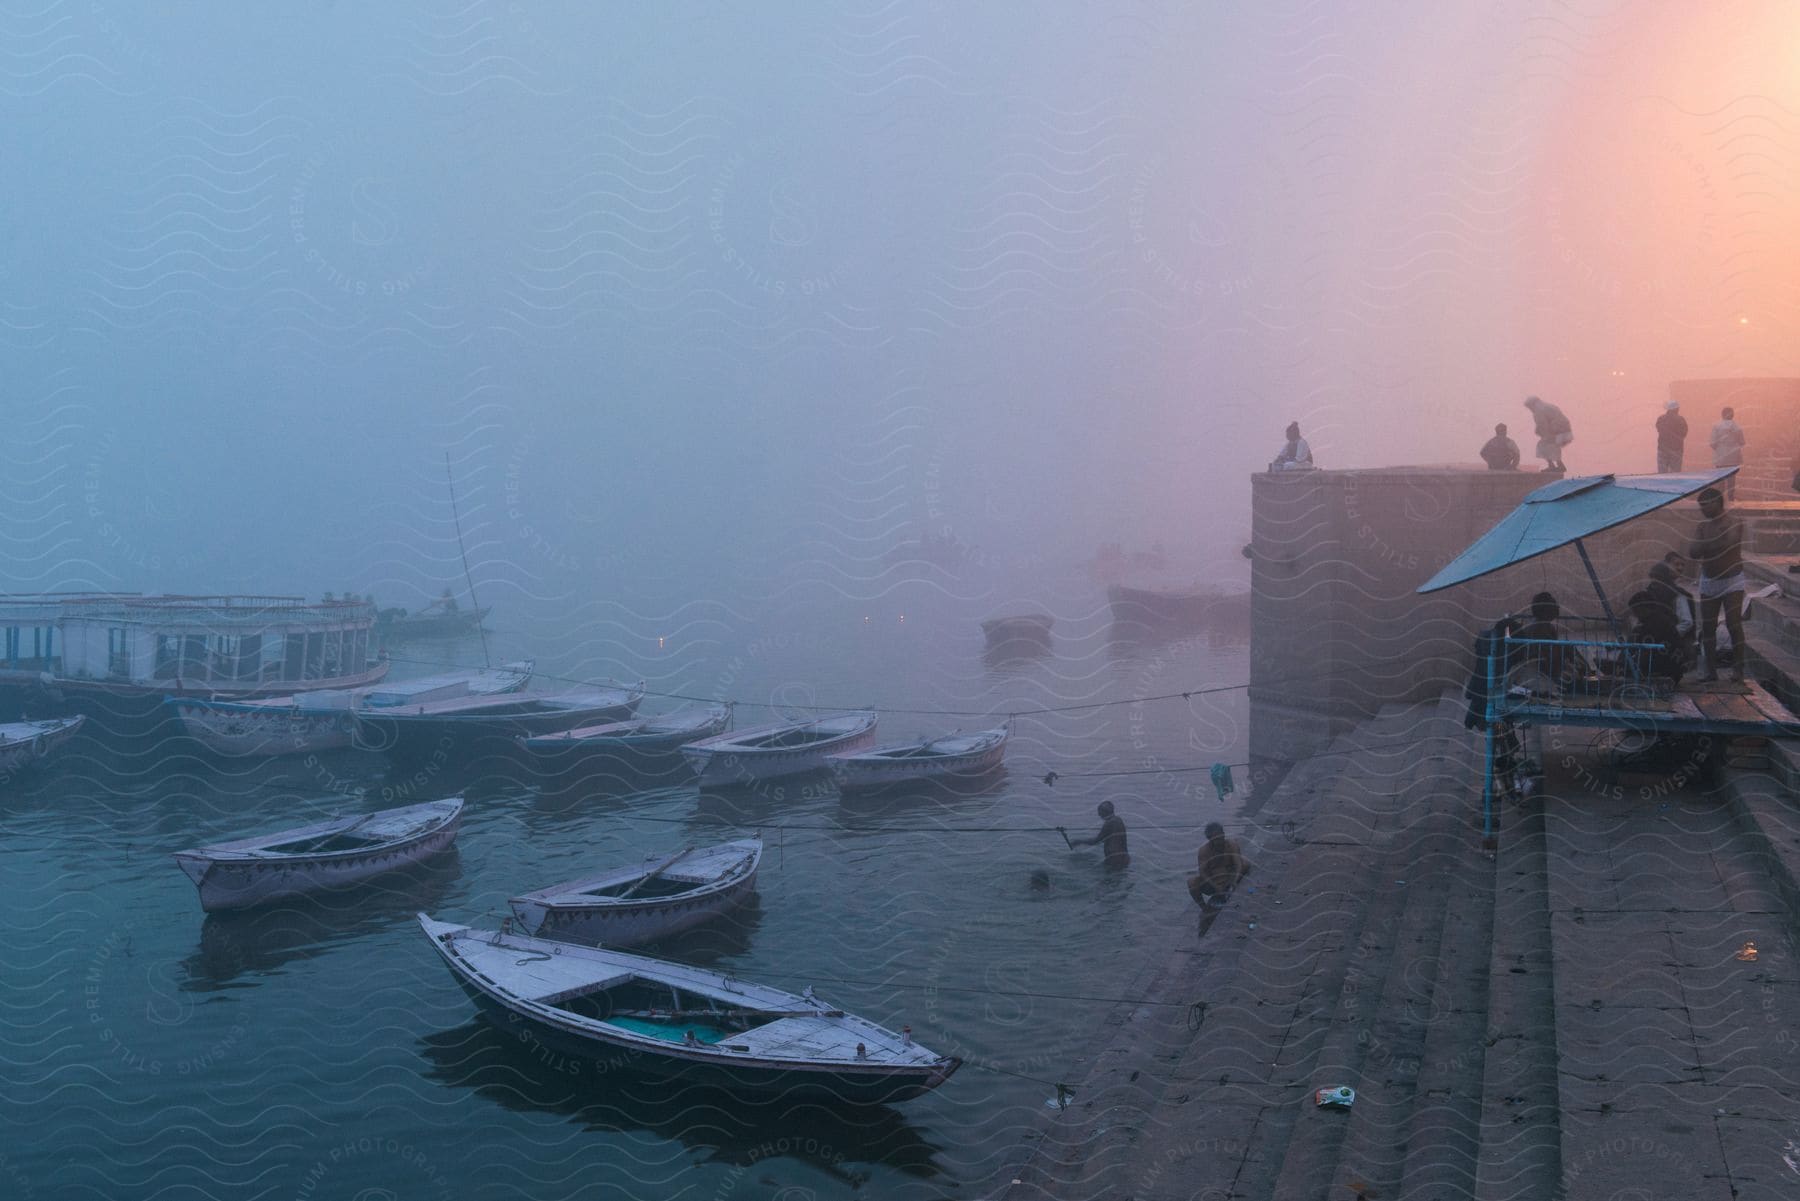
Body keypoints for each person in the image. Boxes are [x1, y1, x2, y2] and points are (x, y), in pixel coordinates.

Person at [1689, 486, 1746, 682]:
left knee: (1734, 624)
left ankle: (1738, 670)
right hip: (1709, 580)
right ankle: (1710, 672)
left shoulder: (1734, 522)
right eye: (1700, 506)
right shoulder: (1702, 526)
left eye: (1705, 505)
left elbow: (1729, 544)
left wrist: (1706, 545)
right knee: (1708, 627)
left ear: (1717, 502)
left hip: (1732, 580)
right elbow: (1693, 552)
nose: (1702, 509)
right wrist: (1713, 542)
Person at [1189, 822, 1252, 934]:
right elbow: (1202, 872)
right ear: (1210, 839)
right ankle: (1204, 908)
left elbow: (1238, 864)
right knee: (1192, 882)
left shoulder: (1231, 844)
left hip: (1229, 878)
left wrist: (1234, 881)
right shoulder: (1204, 851)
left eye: (1221, 836)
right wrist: (1216, 886)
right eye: (1216, 839)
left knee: (1246, 863)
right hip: (1213, 882)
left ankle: (1229, 890)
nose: (1220, 841)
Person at [1626, 588, 1686, 685]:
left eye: (1635, 611)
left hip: (1664, 673)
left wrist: (1628, 667)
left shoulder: (1651, 625)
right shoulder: (1661, 619)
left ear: (1643, 609)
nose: (1634, 615)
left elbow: (1644, 654)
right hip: (1674, 672)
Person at [1066, 800, 1129, 867]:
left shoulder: (1109, 823)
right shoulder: (1118, 819)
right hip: (1124, 858)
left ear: (1105, 812)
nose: (1099, 815)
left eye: (1100, 812)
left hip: (1114, 860)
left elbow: (1096, 841)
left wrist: (1079, 841)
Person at [1522, 396, 1572, 472]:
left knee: (1542, 446)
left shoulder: (1538, 410)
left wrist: (1540, 432)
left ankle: (1552, 465)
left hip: (1556, 431)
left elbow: (1542, 425)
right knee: (1552, 446)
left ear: (1532, 405)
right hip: (1564, 430)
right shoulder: (1548, 406)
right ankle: (1559, 465)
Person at [1710, 407, 1745, 499]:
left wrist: (1719, 449)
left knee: (1720, 479)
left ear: (1722, 415)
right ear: (1732, 415)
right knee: (1731, 479)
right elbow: (1742, 442)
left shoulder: (1716, 426)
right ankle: (1731, 498)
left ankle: (1719, 498)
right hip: (1733, 457)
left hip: (1720, 457)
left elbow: (1712, 443)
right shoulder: (1737, 427)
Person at [1655, 399, 1688, 473]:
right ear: (1676, 409)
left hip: (1662, 449)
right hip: (1677, 449)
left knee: (1662, 472)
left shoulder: (1661, 419)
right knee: (1676, 472)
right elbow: (1684, 433)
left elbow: (1659, 429)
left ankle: (1663, 484)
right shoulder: (1681, 420)